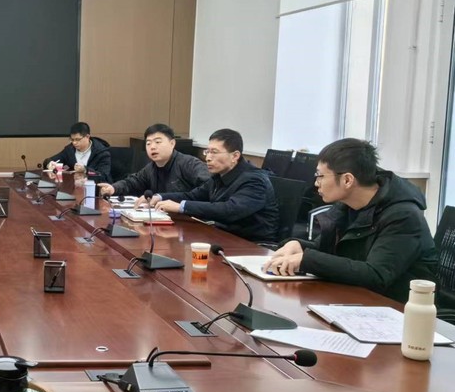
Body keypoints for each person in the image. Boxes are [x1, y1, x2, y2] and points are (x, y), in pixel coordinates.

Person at [263, 139, 438, 301]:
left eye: (320, 176)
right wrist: (298, 246)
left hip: (397, 307)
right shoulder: (347, 205)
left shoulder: (403, 215)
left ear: (347, 180)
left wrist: (306, 260)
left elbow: (376, 275)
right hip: (355, 296)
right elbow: (328, 249)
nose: (316, 183)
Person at [147, 128, 279, 243]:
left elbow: (230, 210)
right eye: (207, 152)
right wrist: (160, 197)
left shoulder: (254, 180)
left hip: (252, 245)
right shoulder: (220, 175)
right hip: (222, 236)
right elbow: (193, 196)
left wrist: (181, 207)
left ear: (235, 156)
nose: (208, 158)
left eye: (214, 152)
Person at [99, 123, 209, 198]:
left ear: (172, 143)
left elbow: (209, 188)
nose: (152, 147)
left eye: (157, 142)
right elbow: (133, 182)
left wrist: (168, 199)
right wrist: (113, 188)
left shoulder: (189, 163)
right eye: (148, 143)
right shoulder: (151, 168)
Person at [43, 122, 112, 183]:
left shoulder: (102, 153)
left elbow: (104, 176)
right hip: (74, 188)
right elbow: (49, 160)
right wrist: (50, 163)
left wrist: (85, 170)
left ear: (87, 137)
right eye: (72, 139)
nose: (74, 143)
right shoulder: (70, 150)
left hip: (95, 188)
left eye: (77, 139)